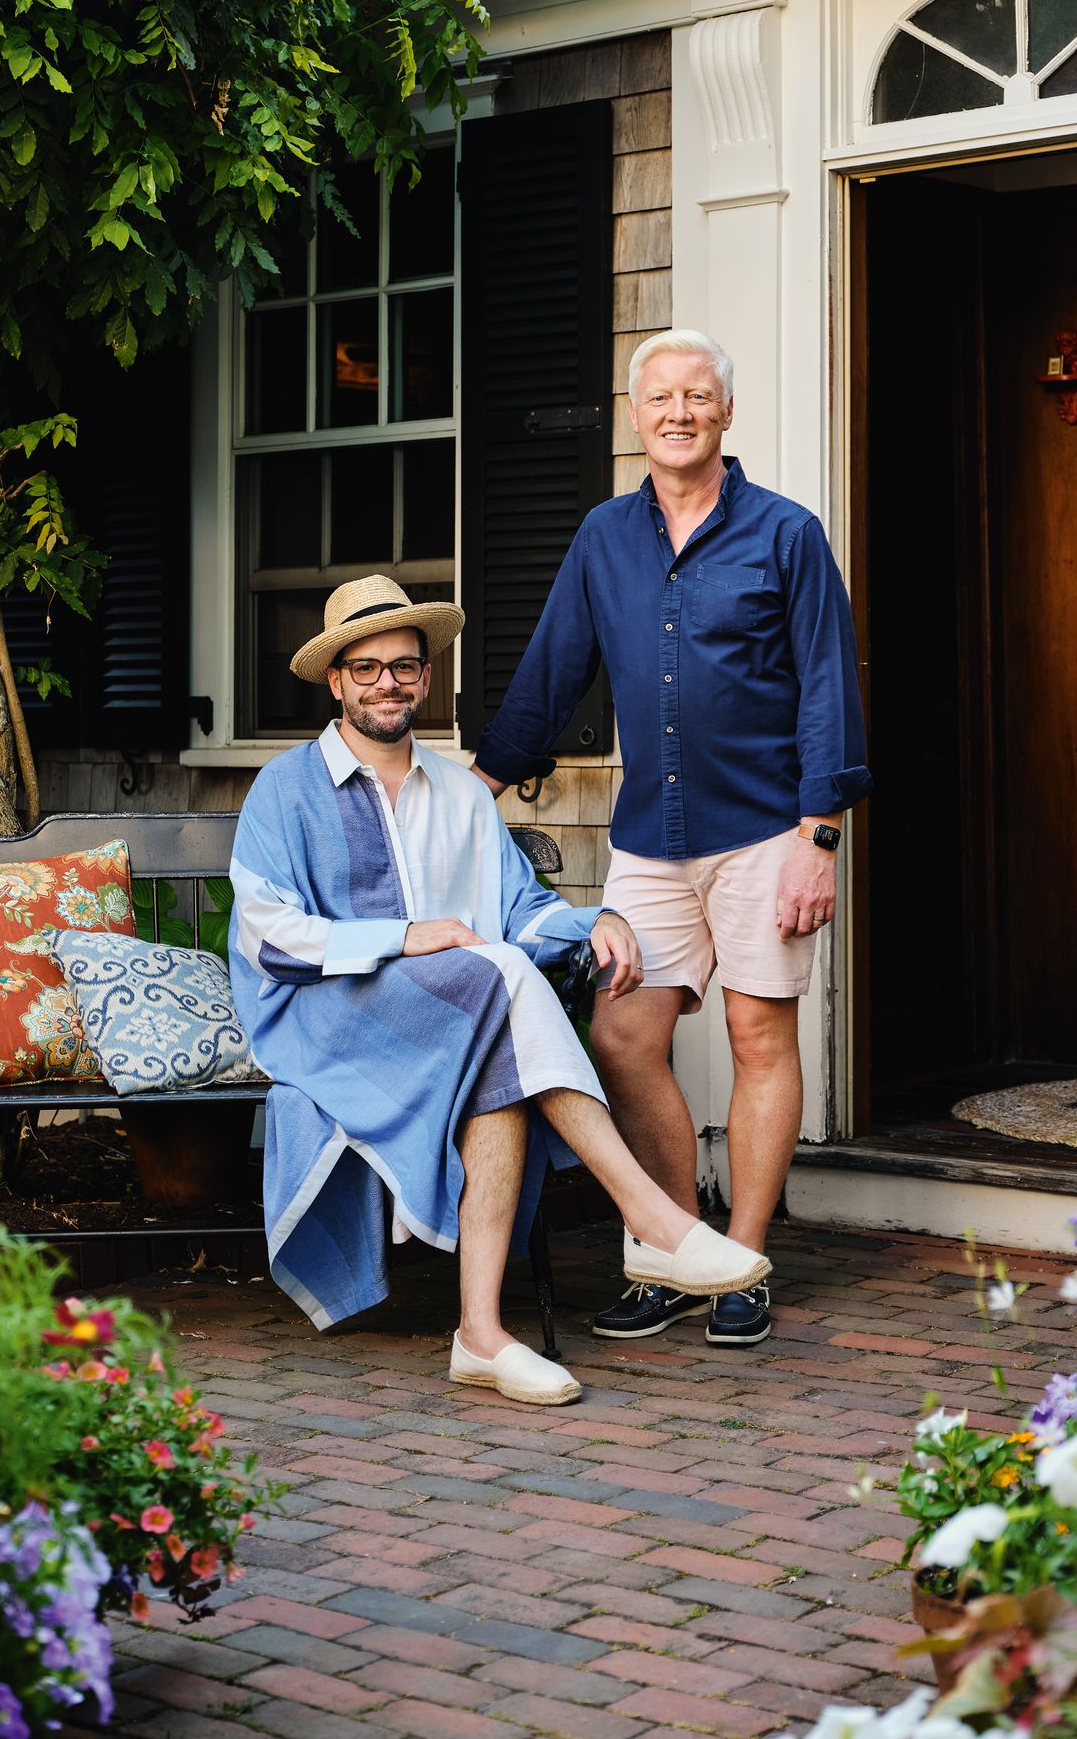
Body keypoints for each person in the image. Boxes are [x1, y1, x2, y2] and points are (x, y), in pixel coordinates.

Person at [227, 573, 771, 1407]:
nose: (388, 684)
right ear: (335, 680)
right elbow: (267, 934)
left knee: (499, 1057)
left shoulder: (457, 792)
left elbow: (520, 909)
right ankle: (655, 1221)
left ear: (426, 676)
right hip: (327, 1018)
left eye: (404, 667)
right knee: (503, 981)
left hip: (456, 1015)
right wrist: (404, 938)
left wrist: (596, 923)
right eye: (366, 668)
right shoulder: (285, 787)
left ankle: (480, 1335)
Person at [473, 330, 871, 1350]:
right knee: (620, 1036)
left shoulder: (786, 534)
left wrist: (816, 836)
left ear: (725, 414)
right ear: (634, 413)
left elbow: (828, 683)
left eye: (698, 396)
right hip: (650, 836)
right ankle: (670, 1239)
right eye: (661, 398)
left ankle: (740, 1263)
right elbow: (554, 666)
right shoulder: (604, 537)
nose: (679, 412)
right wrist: (480, 783)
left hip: (763, 830)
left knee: (755, 1037)